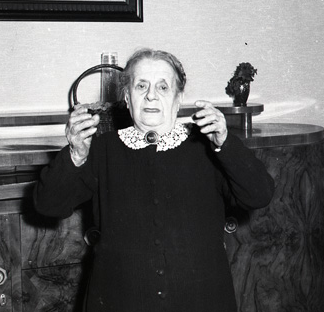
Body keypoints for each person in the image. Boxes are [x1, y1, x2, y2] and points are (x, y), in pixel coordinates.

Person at [34, 48, 275, 312]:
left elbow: (259, 195)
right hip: (120, 302)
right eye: (141, 86)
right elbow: (48, 205)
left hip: (201, 299)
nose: (151, 95)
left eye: (163, 87)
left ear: (178, 98)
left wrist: (225, 143)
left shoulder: (208, 145)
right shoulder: (102, 149)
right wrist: (76, 154)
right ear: (127, 98)